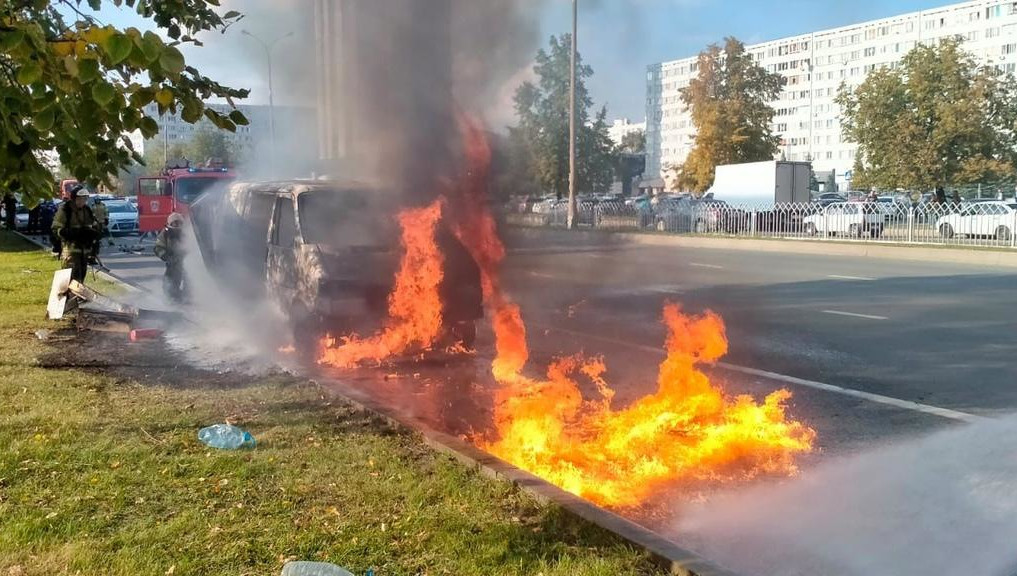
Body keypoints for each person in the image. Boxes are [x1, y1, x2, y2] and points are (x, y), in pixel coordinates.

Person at [52, 185, 99, 283]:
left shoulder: (87, 210)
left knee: (81, 279)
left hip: (84, 251)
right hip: (70, 251)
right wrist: (74, 233)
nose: (82, 201)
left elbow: (95, 226)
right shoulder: (65, 210)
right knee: (71, 279)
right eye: (80, 199)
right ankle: (70, 293)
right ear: (74, 199)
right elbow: (56, 229)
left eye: (84, 199)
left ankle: (78, 293)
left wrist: (95, 233)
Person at [154, 213, 188, 302]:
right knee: (170, 280)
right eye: (174, 223)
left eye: (179, 223)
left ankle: (187, 296)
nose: (177, 225)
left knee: (189, 279)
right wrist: (166, 257)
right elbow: (158, 248)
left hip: (185, 261)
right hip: (172, 262)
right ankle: (171, 297)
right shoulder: (165, 233)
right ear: (170, 223)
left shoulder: (187, 233)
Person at [90, 196, 109, 261]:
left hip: (102, 221)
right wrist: (93, 219)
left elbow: (106, 212)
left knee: (105, 231)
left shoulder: (103, 205)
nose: (97, 201)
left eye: (98, 200)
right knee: (97, 232)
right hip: (96, 222)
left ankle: (109, 241)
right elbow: (91, 213)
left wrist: (106, 219)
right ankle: (98, 241)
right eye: (96, 200)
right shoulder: (93, 205)